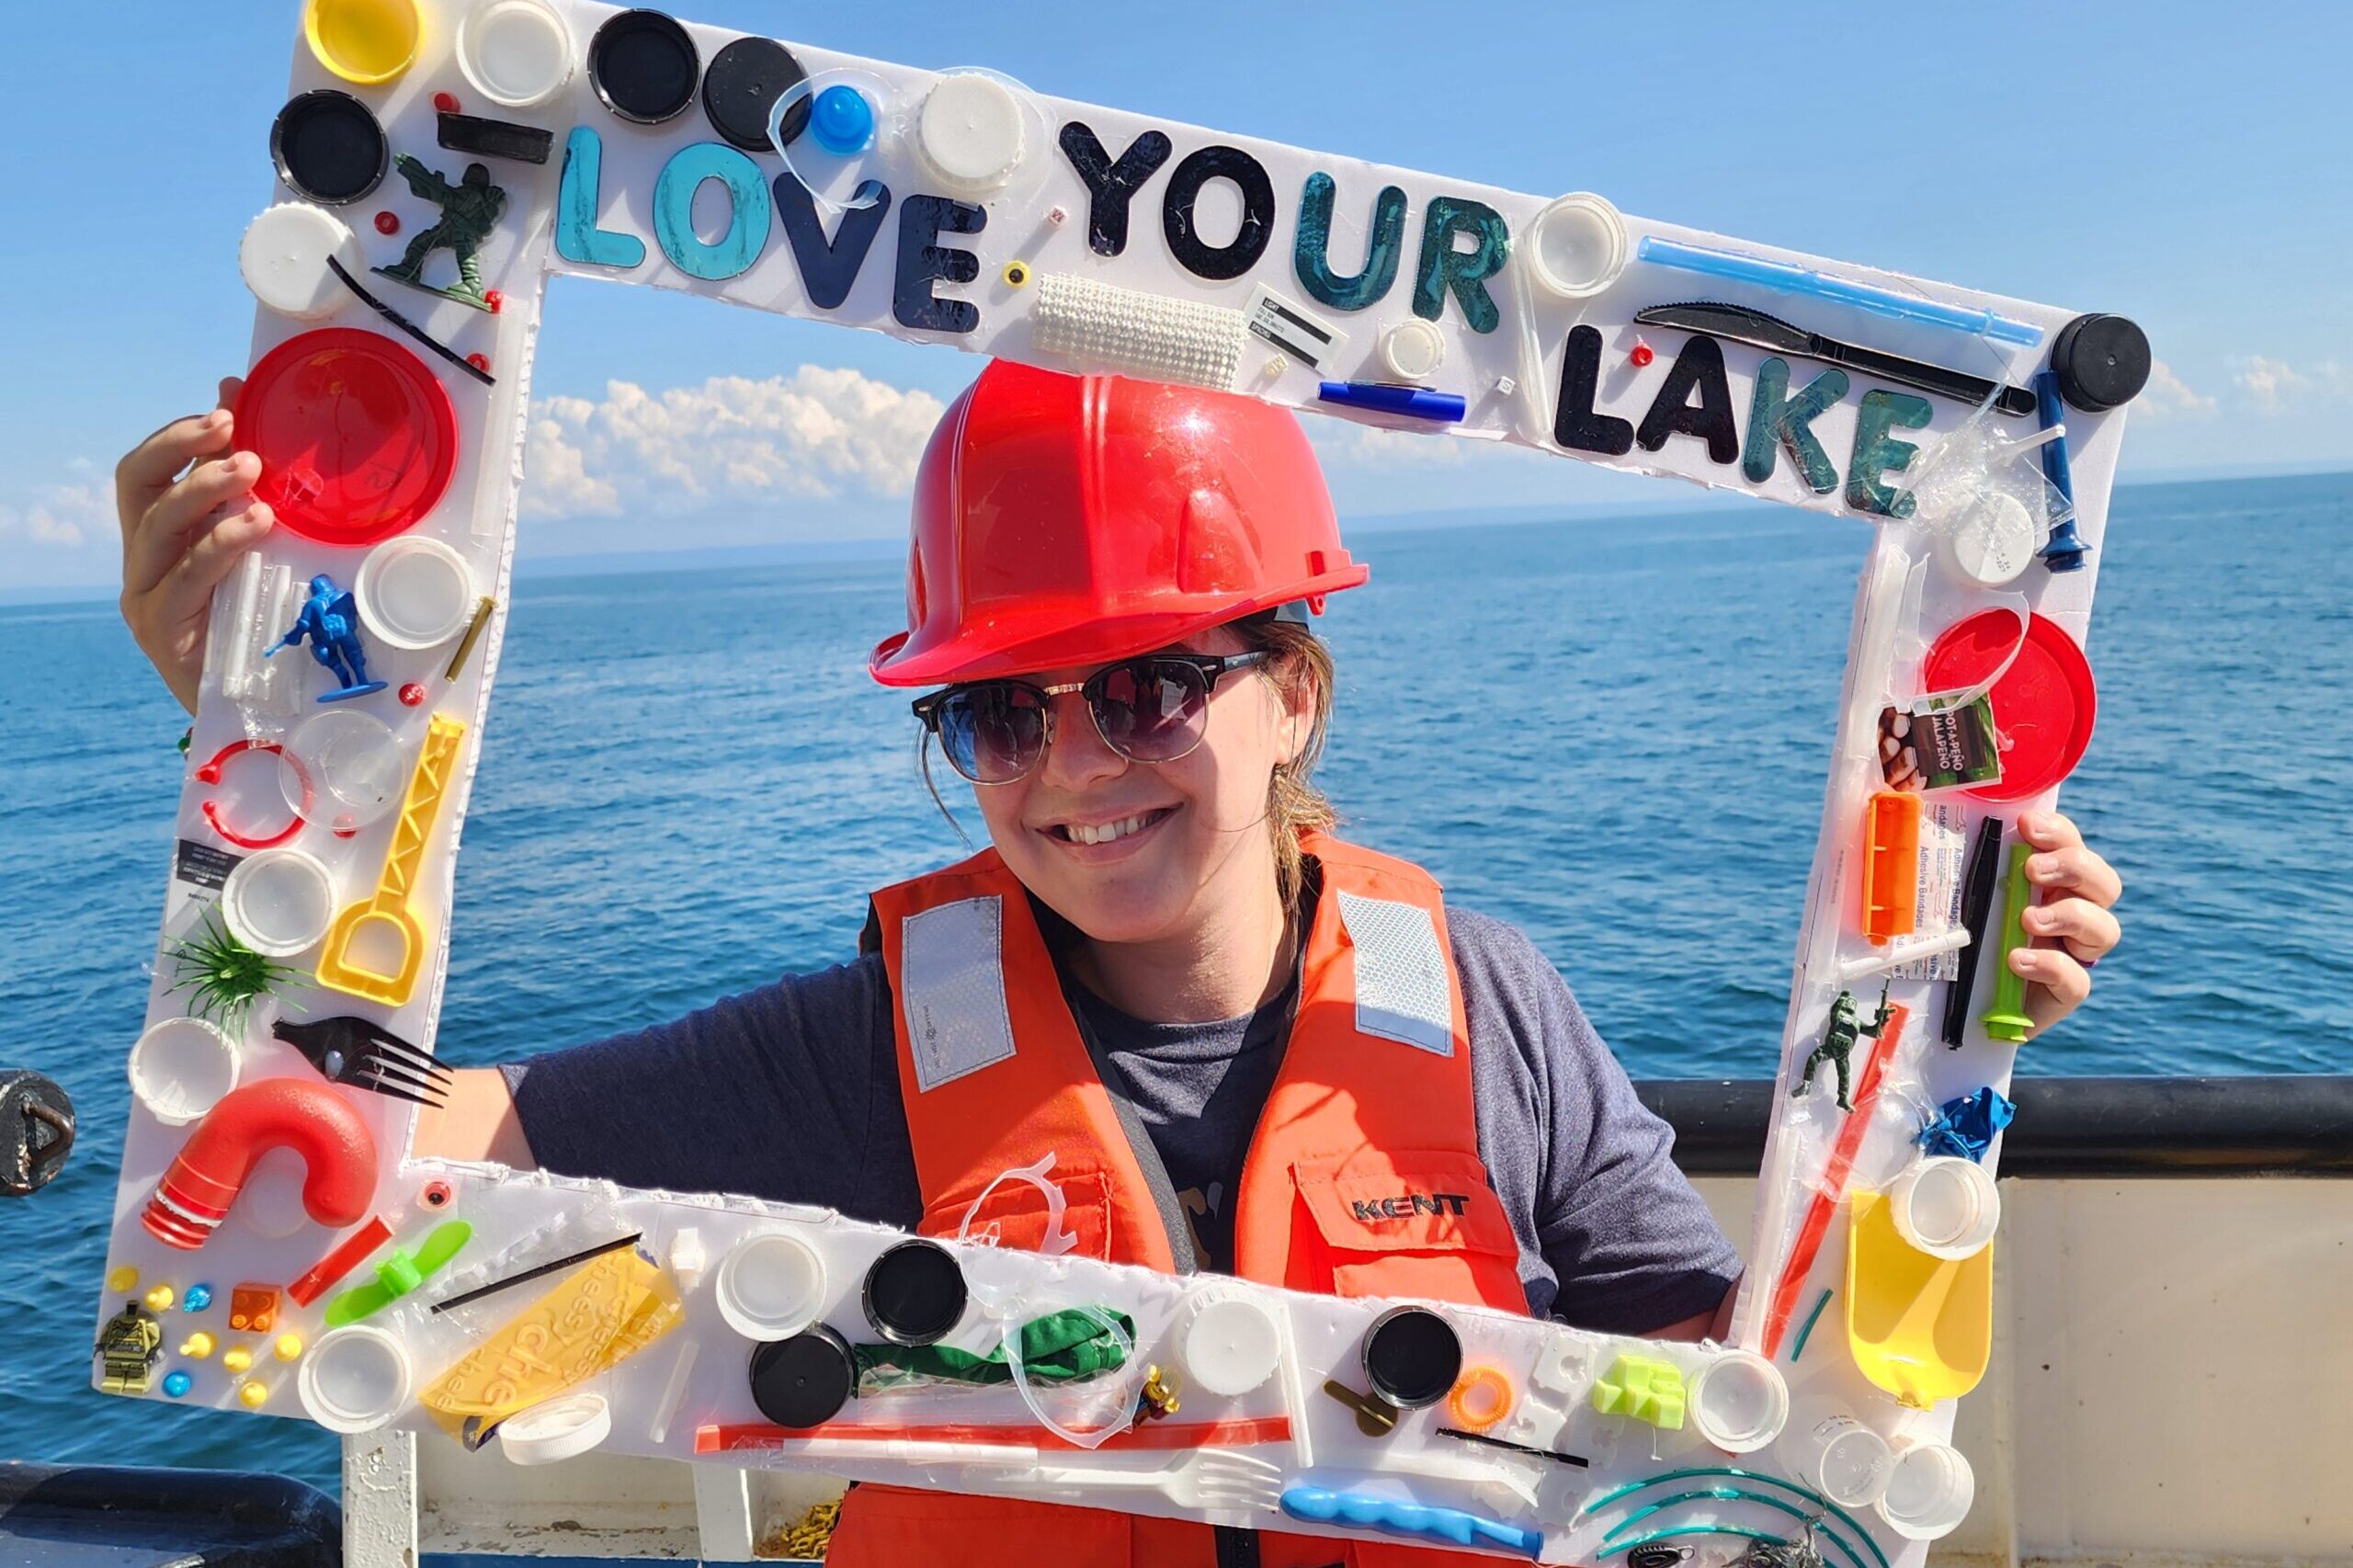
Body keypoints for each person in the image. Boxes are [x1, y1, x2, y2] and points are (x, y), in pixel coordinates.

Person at [116, 360, 2124, 1567]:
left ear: (1292, 690)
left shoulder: (1493, 1003)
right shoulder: (854, 1056)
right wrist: (274, 775)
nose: (1072, 764)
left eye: (1151, 680)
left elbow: (1738, 1397)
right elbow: (384, 1148)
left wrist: (1933, 1035)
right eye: (999, 712)